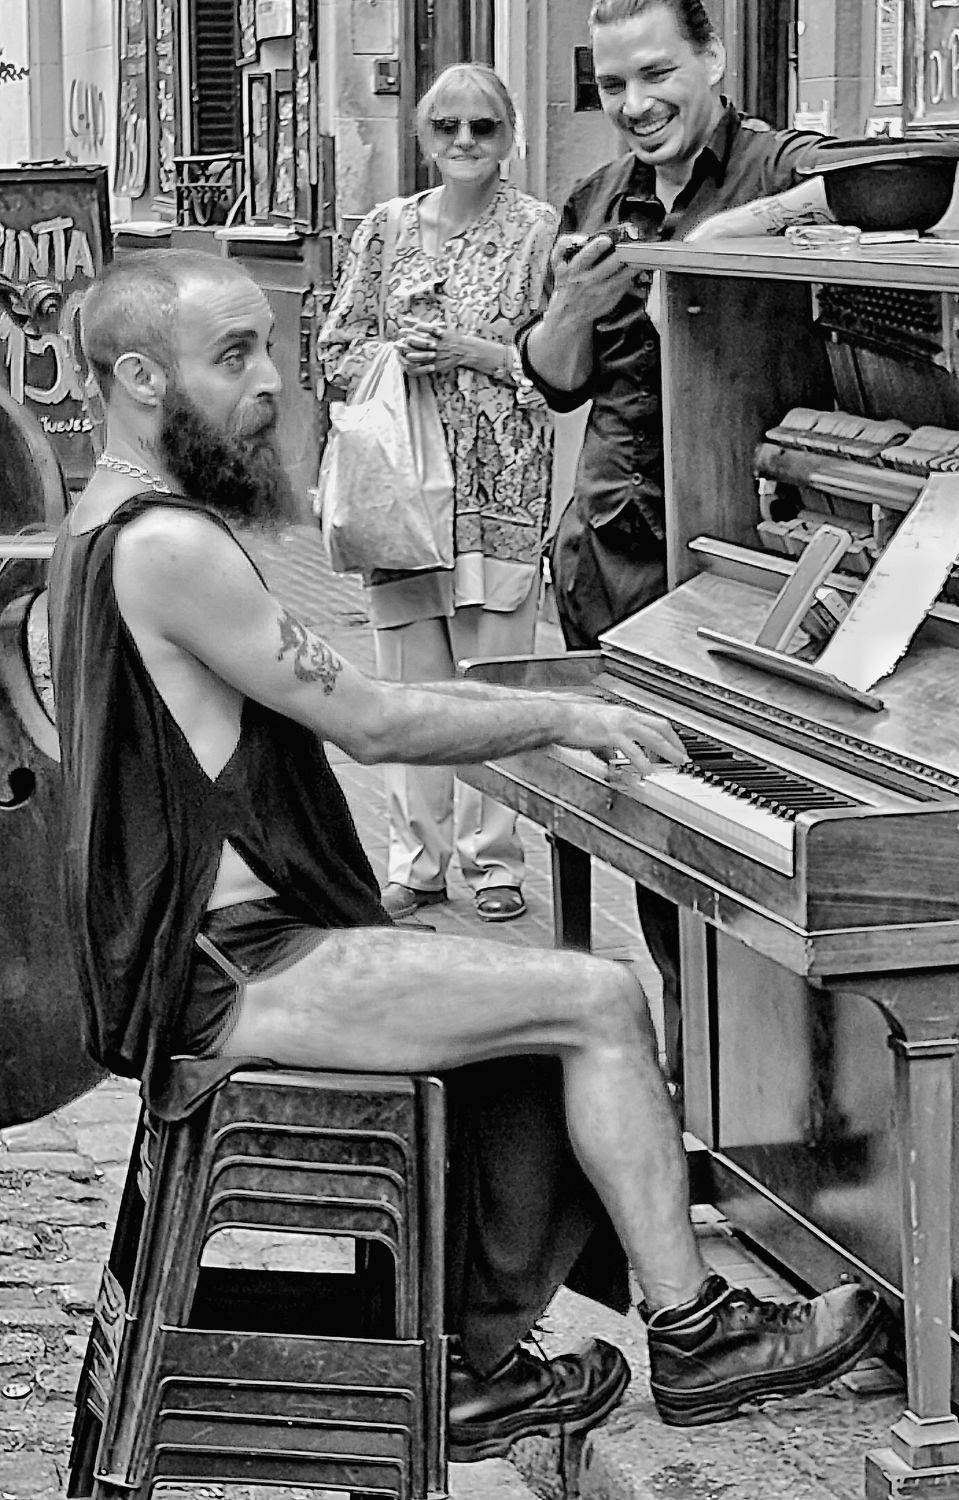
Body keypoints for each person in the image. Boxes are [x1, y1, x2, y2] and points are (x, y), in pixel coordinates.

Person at [48, 248, 885, 1464]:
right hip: (235, 972)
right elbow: (374, 723)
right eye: (231, 356)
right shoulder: (169, 545)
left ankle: (478, 1366)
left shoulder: (100, 520)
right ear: (139, 378)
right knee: (598, 997)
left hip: (211, 959)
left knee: (524, 999)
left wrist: (552, 713)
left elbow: (327, 706)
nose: (271, 381)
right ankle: (693, 1334)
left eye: (267, 348)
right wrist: (564, 715)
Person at [519, 0, 845, 1081]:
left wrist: (711, 245)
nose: (635, 103)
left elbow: (868, 186)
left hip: (748, 562)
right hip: (612, 558)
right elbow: (557, 379)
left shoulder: (772, 162)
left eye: (657, 73)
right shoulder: (595, 198)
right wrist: (572, 304)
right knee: (662, 851)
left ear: (712, 56)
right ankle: (695, 1090)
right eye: (613, 84)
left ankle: (768, 1103)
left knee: (765, 868)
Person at [318, 64, 558, 926]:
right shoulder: (383, 230)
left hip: (502, 487)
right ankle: (414, 860)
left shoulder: (541, 232)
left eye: (482, 126)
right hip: (400, 491)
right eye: (446, 126)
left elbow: (563, 368)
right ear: (423, 137)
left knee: (491, 684)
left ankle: (493, 858)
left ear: (509, 135)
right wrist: (395, 356)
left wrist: (473, 352)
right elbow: (335, 347)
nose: (464, 141)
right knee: (410, 686)